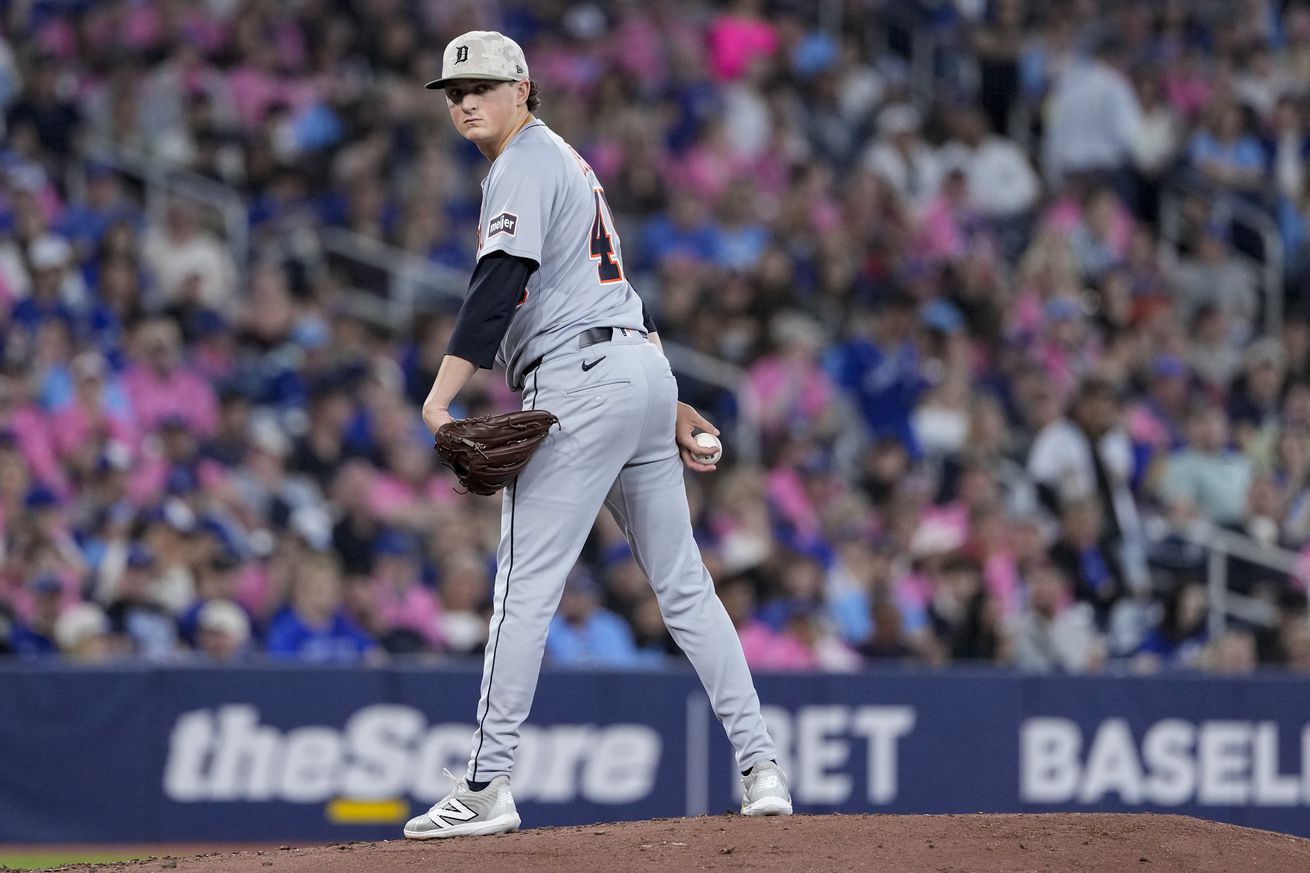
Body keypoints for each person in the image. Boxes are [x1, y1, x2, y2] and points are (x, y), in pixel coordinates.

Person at [407, 31, 790, 840]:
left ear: (523, 89)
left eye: (482, 86)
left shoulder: (521, 162)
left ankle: (485, 784)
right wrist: (667, 402)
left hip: (581, 380)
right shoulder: (568, 161)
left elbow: (497, 286)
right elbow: (610, 291)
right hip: (636, 368)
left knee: (523, 588)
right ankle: (762, 766)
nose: (465, 101)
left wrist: (438, 402)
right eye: (454, 91)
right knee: (684, 585)